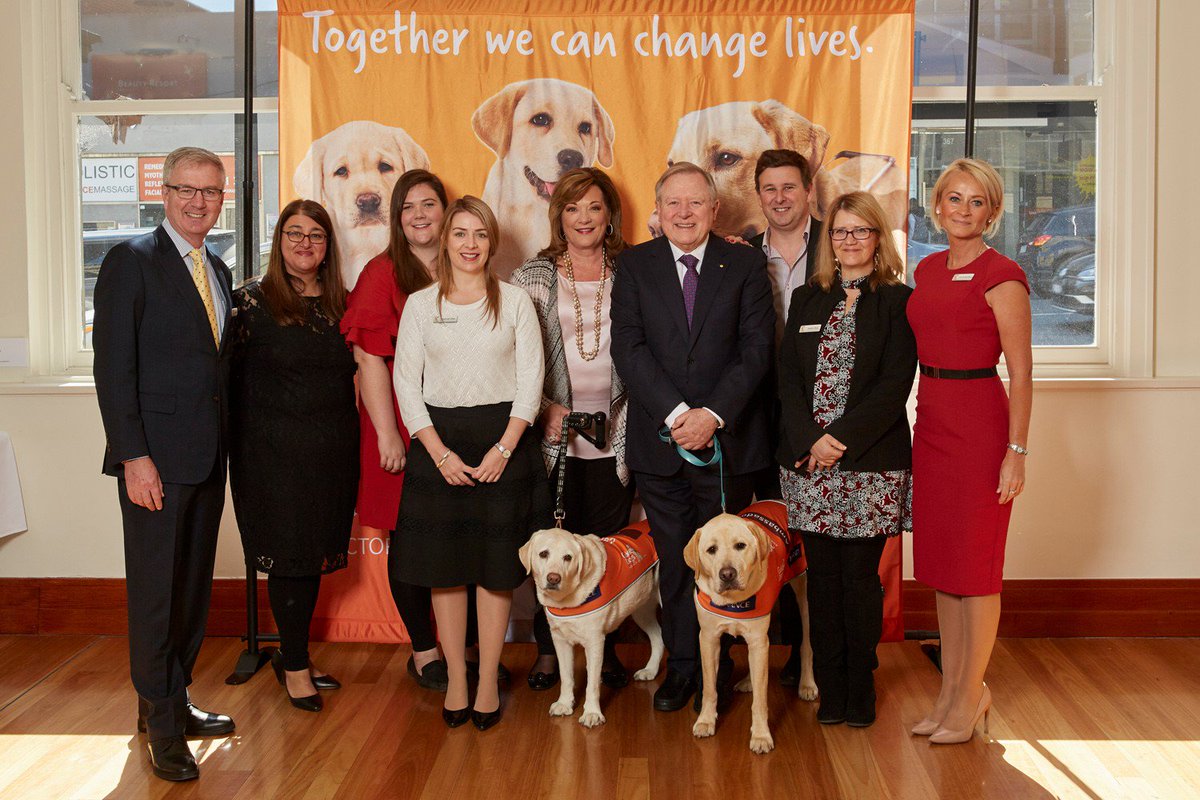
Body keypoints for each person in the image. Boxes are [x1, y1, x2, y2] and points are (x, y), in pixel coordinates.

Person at [93, 147, 236, 782]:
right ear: (164, 193)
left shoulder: (219, 269)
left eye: (210, 191)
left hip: (207, 457)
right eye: (187, 190)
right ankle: (161, 723)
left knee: (190, 593)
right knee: (156, 594)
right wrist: (133, 456)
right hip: (154, 460)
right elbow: (113, 370)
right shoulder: (132, 261)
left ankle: (171, 700)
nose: (199, 202)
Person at [611, 162, 775, 712]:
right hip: (659, 444)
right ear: (658, 211)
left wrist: (712, 415)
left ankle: (722, 671)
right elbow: (627, 349)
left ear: (714, 210)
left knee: (729, 563)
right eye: (672, 203)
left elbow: (757, 350)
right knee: (680, 561)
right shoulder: (633, 265)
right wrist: (681, 412)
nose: (683, 213)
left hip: (728, 445)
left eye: (695, 203)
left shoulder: (746, 264)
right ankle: (684, 667)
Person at [393, 196, 550, 731]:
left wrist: (504, 450)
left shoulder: (514, 301)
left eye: (479, 234)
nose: (469, 244)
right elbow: (404, 385)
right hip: (439, 444)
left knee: (493, 568)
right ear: (445, 240)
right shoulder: (419, 306)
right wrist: (438, 453)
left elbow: (532, 382)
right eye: (459, 233)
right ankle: (456, 679)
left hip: (503, 441)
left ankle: (487, 683)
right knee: (445, 570)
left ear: (492, 242)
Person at [777, 191, 917, 728]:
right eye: (840, 232)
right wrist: (811, 439)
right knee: (823, 579)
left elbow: (892, 386)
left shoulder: (899, 301)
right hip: (809, 466)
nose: (850, 240)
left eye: (861, 231)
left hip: (870, 465)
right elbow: (789, 380)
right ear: (828, 241)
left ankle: (861, 684)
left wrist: (838, 440)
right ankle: (830, 686)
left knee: (859, 581)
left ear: (879, 239)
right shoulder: (807, 299)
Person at [906, 158, 1032, 744]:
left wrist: (1017, 450)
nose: (962, 209)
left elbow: (1023, 374)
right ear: (937, 205)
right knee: (943, 570)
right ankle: (951, 693)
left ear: (993, 211)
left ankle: (971, 695)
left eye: (976, 201)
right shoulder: (927, 270)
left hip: (981, 424)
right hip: (930, 420)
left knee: (977, 572)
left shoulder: (1002, 274)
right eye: (953, 199)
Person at [227, 199, 358, 713]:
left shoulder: (342, 304)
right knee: (289, 558)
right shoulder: (250, 305)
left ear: (328, 248)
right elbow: (223, 385)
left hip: (330, 453)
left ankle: (292, 652)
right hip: (271, 456)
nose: (305, 244)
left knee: (310, 559)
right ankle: (296, 665)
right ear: (278, 242)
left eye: (316, 236)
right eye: (294, 234)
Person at [511, 168, 635, 691]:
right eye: (572, 208)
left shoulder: (634, 270)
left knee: (603, 547)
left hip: (618, 428)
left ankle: (603, 650)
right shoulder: (530, 277)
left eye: (593, 207)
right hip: (551, 434)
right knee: (552, 548)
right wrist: (544, 410)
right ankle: (548, 650)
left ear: (610, 215)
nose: (583, 218)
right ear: (558, 216)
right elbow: (512, 360)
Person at [341, 169, 451, 691]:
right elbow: (369, 357)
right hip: (399, 427)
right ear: (396, 218)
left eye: (429, 204)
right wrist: (388, 434)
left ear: (446, 212)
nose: (420, 215)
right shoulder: (382, 274)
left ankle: (460, 648)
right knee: (409, 542)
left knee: (458, 537)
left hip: (457, 426)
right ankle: (425, 651)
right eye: (408, 207)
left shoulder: (465, 266)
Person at [748, 147, 826, 686]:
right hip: (756, 412)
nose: (780, 198)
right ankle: (765, 655)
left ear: (807, 190)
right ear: (759, 196)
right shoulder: (740, 253)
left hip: (823, 416)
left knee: (816, 542)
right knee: (767, 535)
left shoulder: (838, 242)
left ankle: (812, 661)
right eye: (770, 189)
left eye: (789, 187)